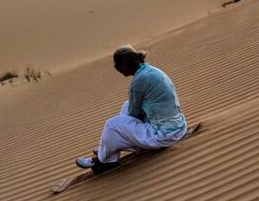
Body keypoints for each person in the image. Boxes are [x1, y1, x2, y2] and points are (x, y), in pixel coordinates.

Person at [76, 45, 187, 174]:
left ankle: (103, 160)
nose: (116, 69)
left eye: (117, 65)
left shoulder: (138, 81)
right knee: (126, 106)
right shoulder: (150, 70)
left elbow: (133, 115)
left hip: (164, 135)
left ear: (125, 65)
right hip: (178, 127)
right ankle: (108, 149)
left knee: (112, 124)